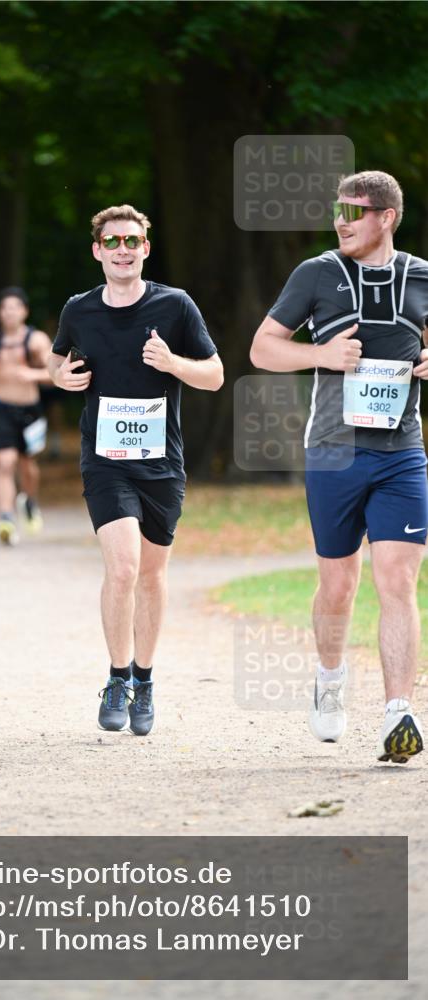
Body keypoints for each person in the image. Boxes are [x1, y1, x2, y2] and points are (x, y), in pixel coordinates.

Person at [250, 170, 428, 764]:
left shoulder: (422, 276)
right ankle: (330, 680)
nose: (342, 220)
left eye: (355, 211)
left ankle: (398, 712)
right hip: (332, 452)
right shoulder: (317, 274)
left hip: (402, 454)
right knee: (338, 582)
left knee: (398, 580)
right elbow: (262, 348)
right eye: (338, 209)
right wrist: (320, 355)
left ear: (387, 217)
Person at [49, 204, 223, 735]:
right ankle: (118, 676)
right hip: (105, 460)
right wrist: (62, 378)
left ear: (145, 249)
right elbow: (56, 361)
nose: (123, 249)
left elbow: (214, 375)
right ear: (98, 250)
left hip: (161, 462)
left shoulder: (175, 306)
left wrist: (173, 364)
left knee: (151, 574)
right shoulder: (79, 310)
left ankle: (145, 679)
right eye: (113, 242)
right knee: (122, 568)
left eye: (132, 241)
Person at [0, 287, 53, 545]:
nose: (9, 313)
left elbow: (58, 372)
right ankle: (6, 518)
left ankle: (29, 500)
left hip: (30, 409)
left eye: (14, 307)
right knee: (5, 462)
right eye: (4, 308)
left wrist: (33, 374)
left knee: (28, 464)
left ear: (24, 311)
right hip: (1, 407)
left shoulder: (36, 340)